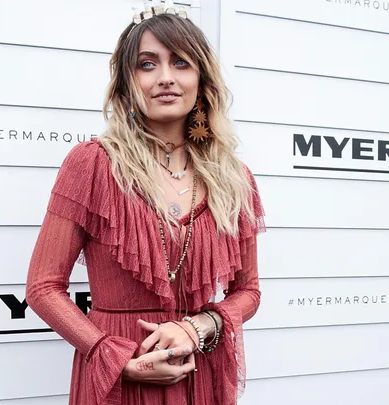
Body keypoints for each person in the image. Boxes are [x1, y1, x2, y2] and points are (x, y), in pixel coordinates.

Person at [26, 4, 265, 405]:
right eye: (147, 64)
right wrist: (115, 357)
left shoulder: (233, 178)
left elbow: (249, 291)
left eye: (181, 62)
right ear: (126, 82)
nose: (166, 78)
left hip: (200, 369)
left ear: (201, 79)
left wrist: (198, 326)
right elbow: (43, 287)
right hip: (120, 376)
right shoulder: (92, 163)